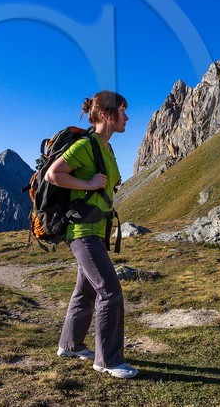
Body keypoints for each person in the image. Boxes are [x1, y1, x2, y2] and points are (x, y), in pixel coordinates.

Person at [46, 90, 137, 379]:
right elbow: (53, 174)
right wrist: (88, 184)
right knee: (110, 291)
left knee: (85, 290)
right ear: (107, 114)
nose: (126, 117)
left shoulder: (106, 148)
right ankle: (108, 360)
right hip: (82, 231)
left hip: (96, 229)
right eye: (122, 111)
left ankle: (70, 345)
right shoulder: (86, 145)